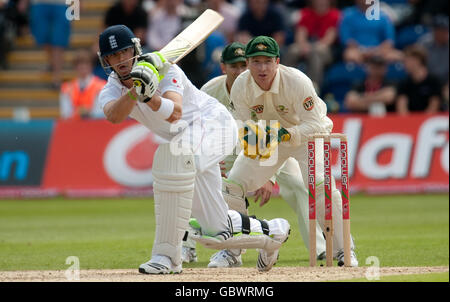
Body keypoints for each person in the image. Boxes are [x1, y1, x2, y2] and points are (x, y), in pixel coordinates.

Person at [97, 25, 291, 274]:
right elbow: (114, 115)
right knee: (216, 231)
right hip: (187, 140)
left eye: (124, 52)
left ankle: (166, 256)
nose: (120, 60)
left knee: (173, 159)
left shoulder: (165, 69)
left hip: (213, 126)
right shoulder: (113, 87)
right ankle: (273, 233)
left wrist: (151, 97)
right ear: (106, 61)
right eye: (113, 56)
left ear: (134, 49)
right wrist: (137, 91)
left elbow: (176, 112)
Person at [180, 42, 327, 267]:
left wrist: (269, 177)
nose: (241, 71)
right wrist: (210, 160)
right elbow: (199, 127)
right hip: (242, 146)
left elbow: (268, 132)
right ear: (223, 67)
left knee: (299, 186)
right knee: (220, 187)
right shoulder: (210, 90)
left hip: (279, 139)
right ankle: (225, 251)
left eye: (242, 66)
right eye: (235, 66)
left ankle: (322, 249)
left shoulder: (283, 82)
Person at [227, 36, 359, 267]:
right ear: (247, 63)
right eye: (256, 62)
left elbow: (317, 124)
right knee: (233, 186)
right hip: (267, 138)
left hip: (306, 137)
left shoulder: (297, 81)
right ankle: (232, 251)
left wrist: (286, 134)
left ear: (277, 61)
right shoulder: (241, 86)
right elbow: (243, 126)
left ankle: (344, 251)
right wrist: (265, 172)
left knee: (321, 186)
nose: (262, 68)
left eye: (267, 61)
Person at [285, 0, 340, 87]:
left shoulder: (335, 15)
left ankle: (313, 87)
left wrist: (311, 48)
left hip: (326, 49)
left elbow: (329, 39)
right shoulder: (305, 13)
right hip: (308, 45)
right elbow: (300, 34)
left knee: (316, 52)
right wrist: (303, 46)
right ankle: (286, 83)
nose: (321, 2)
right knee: (293, 50)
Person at [339, 0, 402, 64]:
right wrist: (363, 51)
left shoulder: (383, 16)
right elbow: (347, 40)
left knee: (397, 55)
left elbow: (389, 41)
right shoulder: (347, 15)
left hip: (379, 51)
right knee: (350, 55)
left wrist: (376, 51)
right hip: (357, 51)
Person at [29, 0, 71, 88]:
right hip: (39, 3)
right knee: (42, 38)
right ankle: (52, 63)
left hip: (61, 4)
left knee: (58, 40)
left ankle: (57, 75)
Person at [60, 49, 107, 120]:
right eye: (79, 64)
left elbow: (100, 112)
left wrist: (87, 113)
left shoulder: (101, 86)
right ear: (75, 67)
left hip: (95, 126)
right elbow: (65, 114)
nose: (83, 67)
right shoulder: (67, 88)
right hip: (74, 126)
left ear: (91, 66)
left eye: (86, 63)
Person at [396, 45, 442, 115]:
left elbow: (434, 105)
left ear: (417, 60)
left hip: (430, 122)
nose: (404, 64)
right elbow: (402, 107)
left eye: (407, 60)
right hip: (410, 121)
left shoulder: (433, 81)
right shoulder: (404, 83)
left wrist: (421, 121)